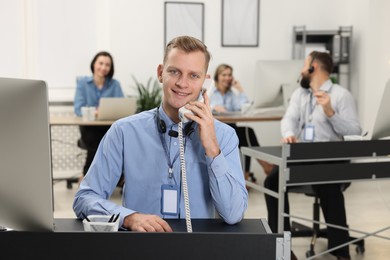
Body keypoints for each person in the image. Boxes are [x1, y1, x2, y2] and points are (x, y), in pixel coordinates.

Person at [73, 36, 248, 232]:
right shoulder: (124, 131)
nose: (182, 83)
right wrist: (128, 217)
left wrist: (212, 150)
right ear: (160, 73)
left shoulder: (224, 136)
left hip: (197, 248)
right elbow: (84, 198)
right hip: (141, 247)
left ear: (205, 83)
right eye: (174, 72)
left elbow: (233, 214)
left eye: (193, 76)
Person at [264, 51, 361, 260]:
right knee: (272, 181)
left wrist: (330, 113)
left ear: (313, 68)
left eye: (304, 66)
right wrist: (289, 134)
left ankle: (341, 252)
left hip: (331, 157)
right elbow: (288, 118)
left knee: (327, 183)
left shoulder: (341, 95)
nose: (301, 71)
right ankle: (282, 247)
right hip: (303, 155)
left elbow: (355, 131)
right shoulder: (300, 94)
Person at [209, 64, 274, 183]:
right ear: (217, 77)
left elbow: (244, 108)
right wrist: (214, 107)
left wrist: (240, 90)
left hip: (231, 128)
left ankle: (247, 173)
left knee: (246, 135)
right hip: (216, 130)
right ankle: (262, 167)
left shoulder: (231, 94)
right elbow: (205, 103)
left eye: (229, 75)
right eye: (224, 75)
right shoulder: (212, 92)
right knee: (246, 134)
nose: (227, 77)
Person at [73, 51, 124, 177]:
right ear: (94, 64)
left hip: (108, 126)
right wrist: (96, 112)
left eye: (107, 65)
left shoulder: (115, 84)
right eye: (100, 63)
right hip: (89, 127)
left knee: (116, 138)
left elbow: (122, 107)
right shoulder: (83, 83)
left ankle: (113, 177)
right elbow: (78, 109)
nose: (103, 67)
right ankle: (88, 176)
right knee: (98, 140)